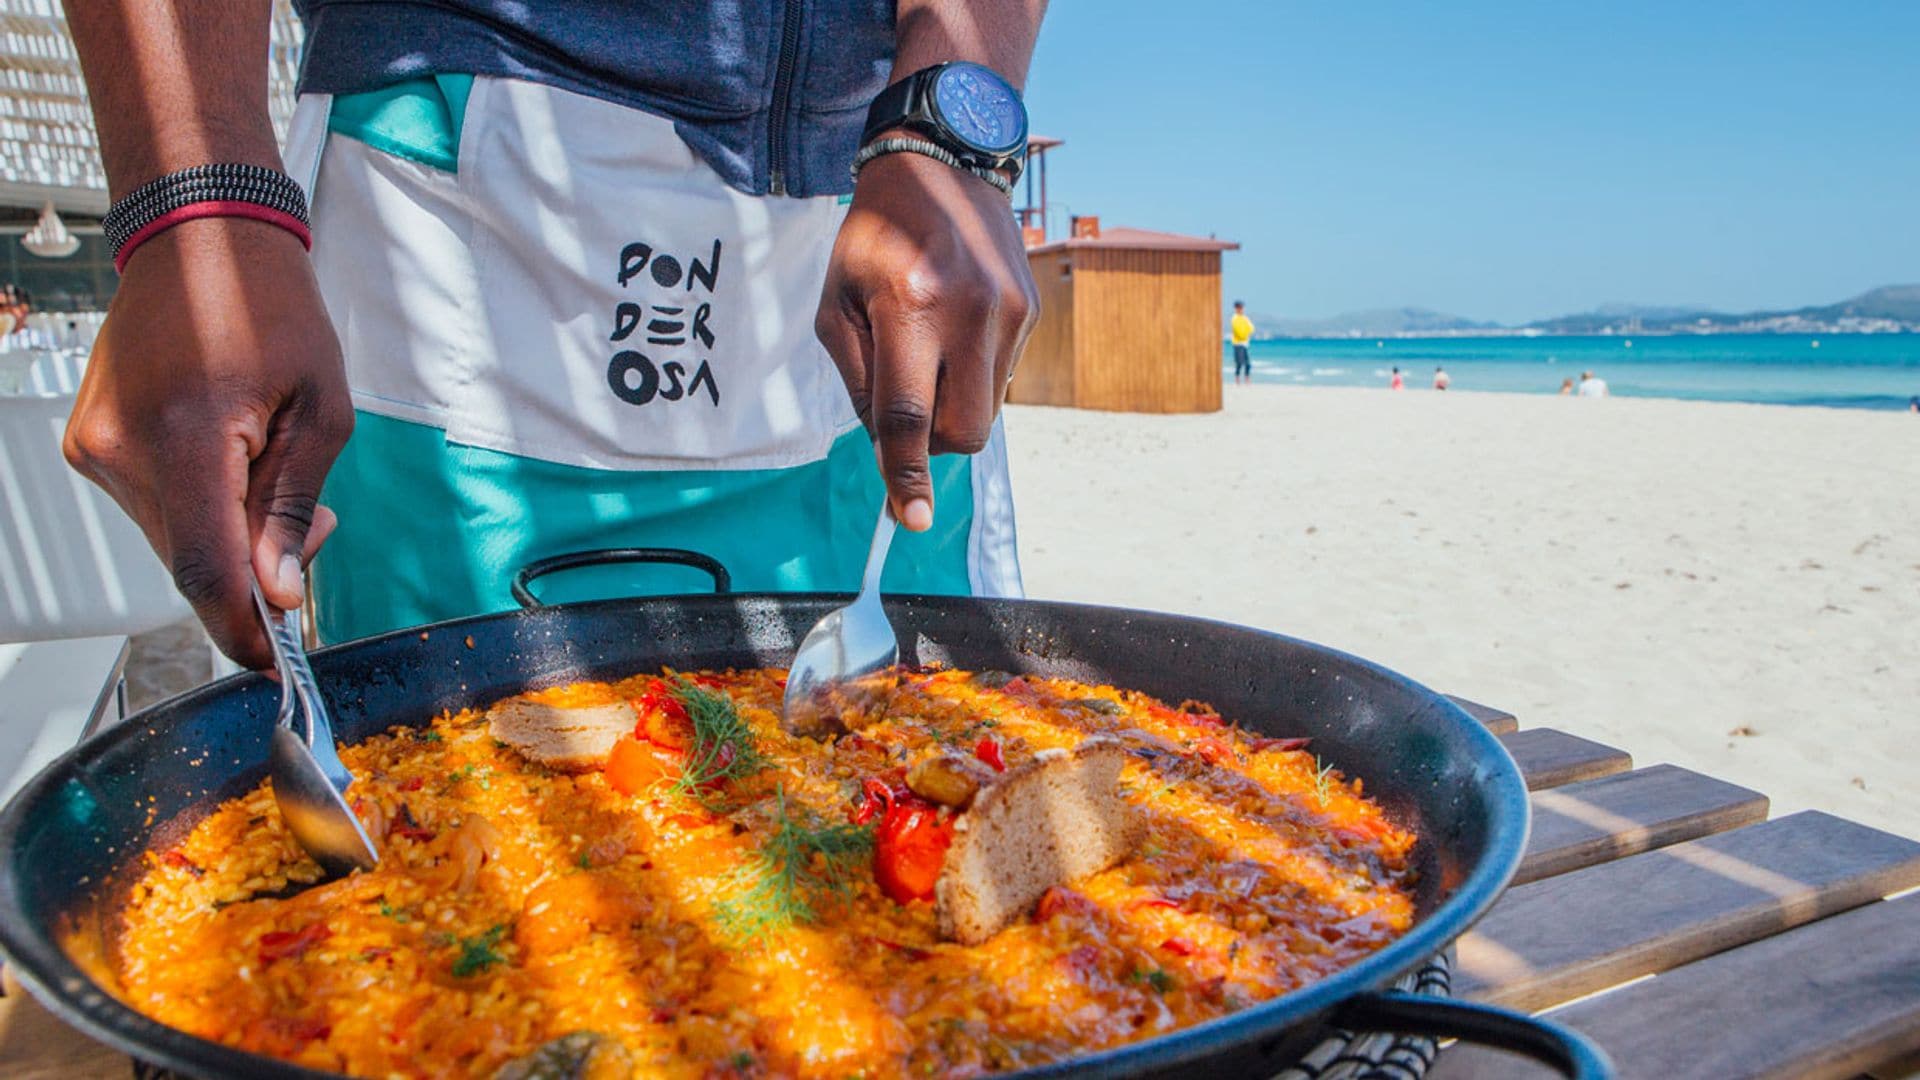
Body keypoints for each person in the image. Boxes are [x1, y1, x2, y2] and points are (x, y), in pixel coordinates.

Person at [63, 2, 1045, 667]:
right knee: (445, 819)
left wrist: (951, 124)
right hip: (458, 212)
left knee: (934, 775)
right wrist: (194, 197)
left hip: (881, 216)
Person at [1229, 300, 1255, 385]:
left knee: (1248, 364)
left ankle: (1247, 379)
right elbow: (1237, 330)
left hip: (1245, 344)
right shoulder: (1234, 318)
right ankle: (1237, 379)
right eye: (1239, 307)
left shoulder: (1245, 318)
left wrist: (1246, 333)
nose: (1241, 309)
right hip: (1237, 344)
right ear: (1236, 308)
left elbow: (1251, 328)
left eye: (1242, 308)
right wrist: (1244, 334)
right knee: (1239, 363)